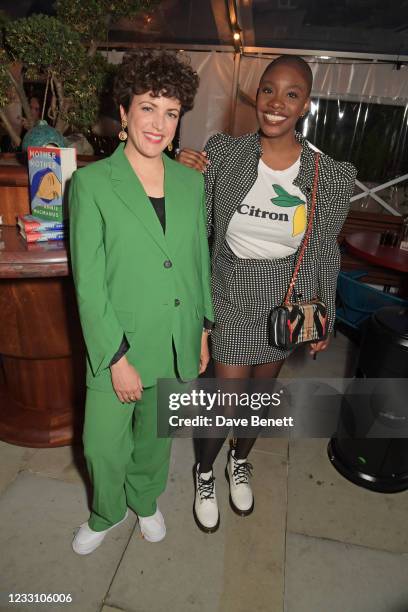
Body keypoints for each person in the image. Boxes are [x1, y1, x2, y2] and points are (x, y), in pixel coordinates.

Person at [179, 55, 357, 533]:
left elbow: (325, 252)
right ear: (256, 96)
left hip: (285, 301)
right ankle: (203, 472)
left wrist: (326, 316)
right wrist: (180, 174)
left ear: (306, 105)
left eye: (291, 94)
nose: (276, 104)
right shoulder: (225, 154)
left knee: (260, 399)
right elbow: (195, 230)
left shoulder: (330, 177)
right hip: (230, 291)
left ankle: (240, 460)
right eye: (268, 91)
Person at [69, 49, 213, 554]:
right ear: (124, 113)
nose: (159, 123)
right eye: (148, 107)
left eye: (171, 112)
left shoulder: (192, 183)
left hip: (176, 336)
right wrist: (115, 357)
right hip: (119, 345)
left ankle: (145, 498)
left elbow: (198, 259)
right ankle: (107, 510)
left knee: (156, 440)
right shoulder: (90, 184)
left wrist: (203, 327)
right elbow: (88, 283)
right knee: (102, 445)